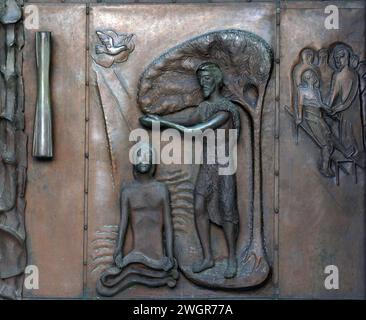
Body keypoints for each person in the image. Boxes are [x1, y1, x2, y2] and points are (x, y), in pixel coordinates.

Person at [140, 62, 241, 279]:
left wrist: (167, 126)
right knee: (198, 206)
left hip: (224, 165)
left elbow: (197, 129)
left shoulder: (226, 109)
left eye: (206, 79)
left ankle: (232, 257)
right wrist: (159, 120)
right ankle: (208, 257)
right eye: (200, 79)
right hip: (208, 164)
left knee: (227, 209)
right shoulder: (204, 108)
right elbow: (186, 118)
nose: (202, 83)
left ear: (216, 80)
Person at [97, 144, 178, 296]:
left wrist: (170, 255)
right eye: (140, 156)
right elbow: (123, 223)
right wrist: (118, 250)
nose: (143, 160)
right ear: (134, 161)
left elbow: (168, 226)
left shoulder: (161, 190)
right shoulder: (128, 191)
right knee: (109, 281)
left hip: (159, 258)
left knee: (168, 277)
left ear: (153, 163)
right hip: (135, 255)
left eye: (147, 156)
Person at [295, 69, 334, 177]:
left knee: (329, 140)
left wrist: (330, 110)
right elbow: (300, 104)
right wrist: (299, 117)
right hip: (311, 118)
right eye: (310, 75)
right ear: (307, 78)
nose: (313, 76)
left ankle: (326, 165)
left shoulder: (316, 90)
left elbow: (320, 104)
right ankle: (325, 168)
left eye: (312, 75)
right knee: (325, 144)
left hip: (319, 118)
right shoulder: (302, 90)